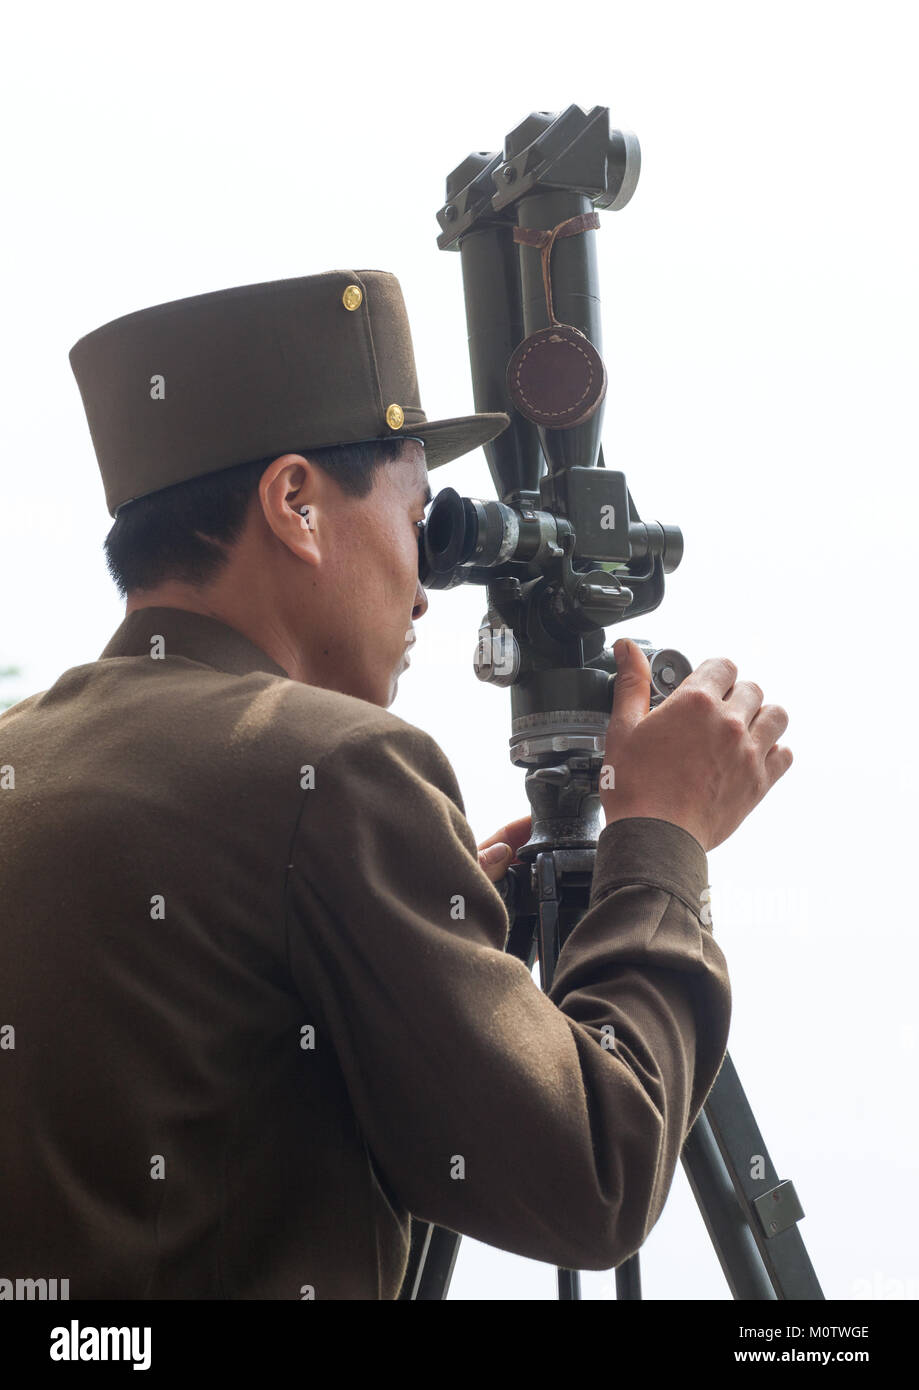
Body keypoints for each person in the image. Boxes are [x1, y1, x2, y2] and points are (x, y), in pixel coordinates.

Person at [0, 270, 791, 1300]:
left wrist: (412, 942)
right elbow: (593, 1174)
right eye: (418, 518)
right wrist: (662, 845)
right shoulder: (331, 766)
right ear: (295, 504)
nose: (424, 589)